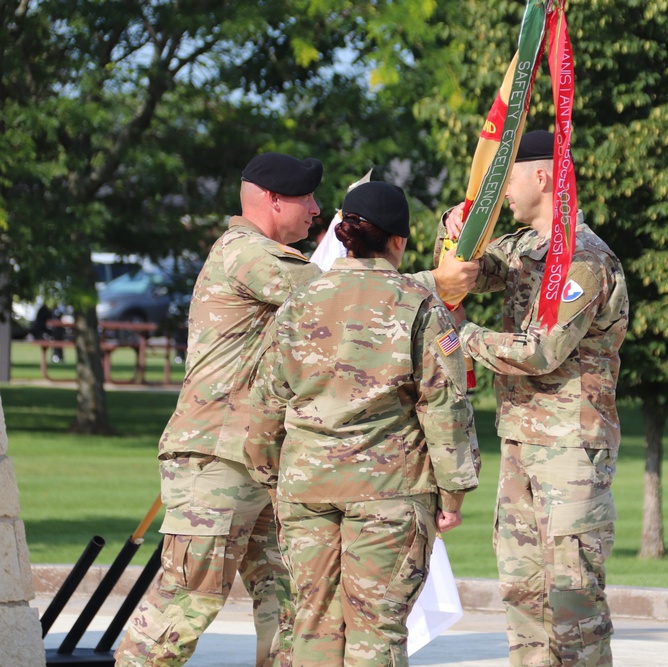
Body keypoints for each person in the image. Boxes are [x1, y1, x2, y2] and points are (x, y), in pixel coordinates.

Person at [244, 180, 480, 666]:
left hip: (306, 488)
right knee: (377, 629)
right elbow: (444, 406)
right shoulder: (420, 304)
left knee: (311, 624)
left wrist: (269, 474)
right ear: (399, 241)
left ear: (343, 233)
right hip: (388, 492)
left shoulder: (302, 298)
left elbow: (268, 397)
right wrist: (453, 494)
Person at [115, 152, 324, 667]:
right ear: (274, 200)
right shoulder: (248, 253)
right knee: (188, 601)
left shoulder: (264, 254)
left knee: (293, 603)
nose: (317, 210)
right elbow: (342, 300)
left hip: (259, 460)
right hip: (217, 457)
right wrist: (434, 280)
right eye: (308, 198)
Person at [439, 130, 629, 666]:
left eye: (510, 179)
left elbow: (542, 352)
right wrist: (456, 233)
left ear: (542, 177)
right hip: (523, 442)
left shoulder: (584, 259)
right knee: (524, 598)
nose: (502, 193)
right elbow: (465, 276)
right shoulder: (527, 248)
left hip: (571, 447)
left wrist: (461, 336)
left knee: (573, 605)